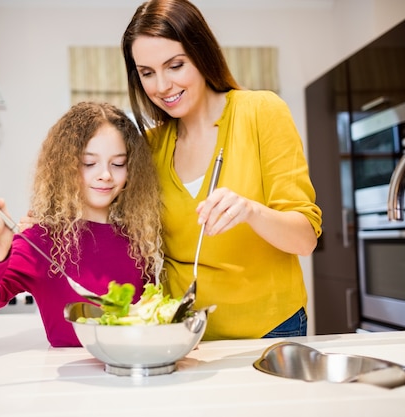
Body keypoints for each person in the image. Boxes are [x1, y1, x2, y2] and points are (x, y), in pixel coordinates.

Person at [121, 0, 323, 340]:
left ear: (201, 54)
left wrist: (251, 211)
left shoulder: (261, 112)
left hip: (271, 328)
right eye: (147, 73)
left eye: (175, 65)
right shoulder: (150, 146)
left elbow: (304, 240)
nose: (162, 86)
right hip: (185, 335)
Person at [0, 101, 163, 347]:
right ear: (65, 167)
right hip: (71, 382)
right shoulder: (40, 241)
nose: (106, 174)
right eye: (89, 163)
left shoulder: (142, 236)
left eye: (118, 164)